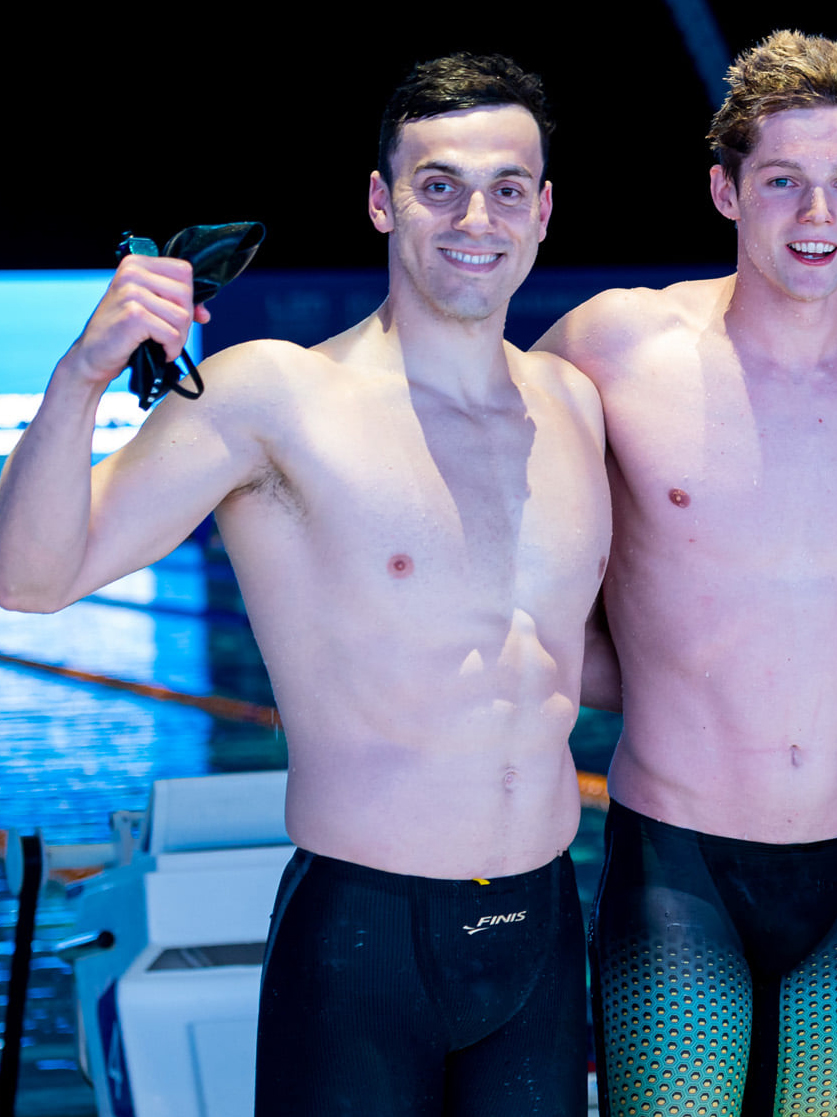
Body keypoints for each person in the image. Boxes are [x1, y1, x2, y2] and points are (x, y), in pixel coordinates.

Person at [0, 54, 611, 1116]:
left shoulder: (571, 406)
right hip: (363, 942)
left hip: (544, 933)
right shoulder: (275, 394)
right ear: (381, 200)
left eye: (508, 187)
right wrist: (82, 373)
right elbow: (31, 578)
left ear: (544, 209)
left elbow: (580, 653)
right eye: (439, 184)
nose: (477, 215)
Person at [532, 30, 837, 1117]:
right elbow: (482, 498)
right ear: (726, 191)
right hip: (680, 865)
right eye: (782, 183)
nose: (816, 217)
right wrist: (626, 668)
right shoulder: (620, 342)